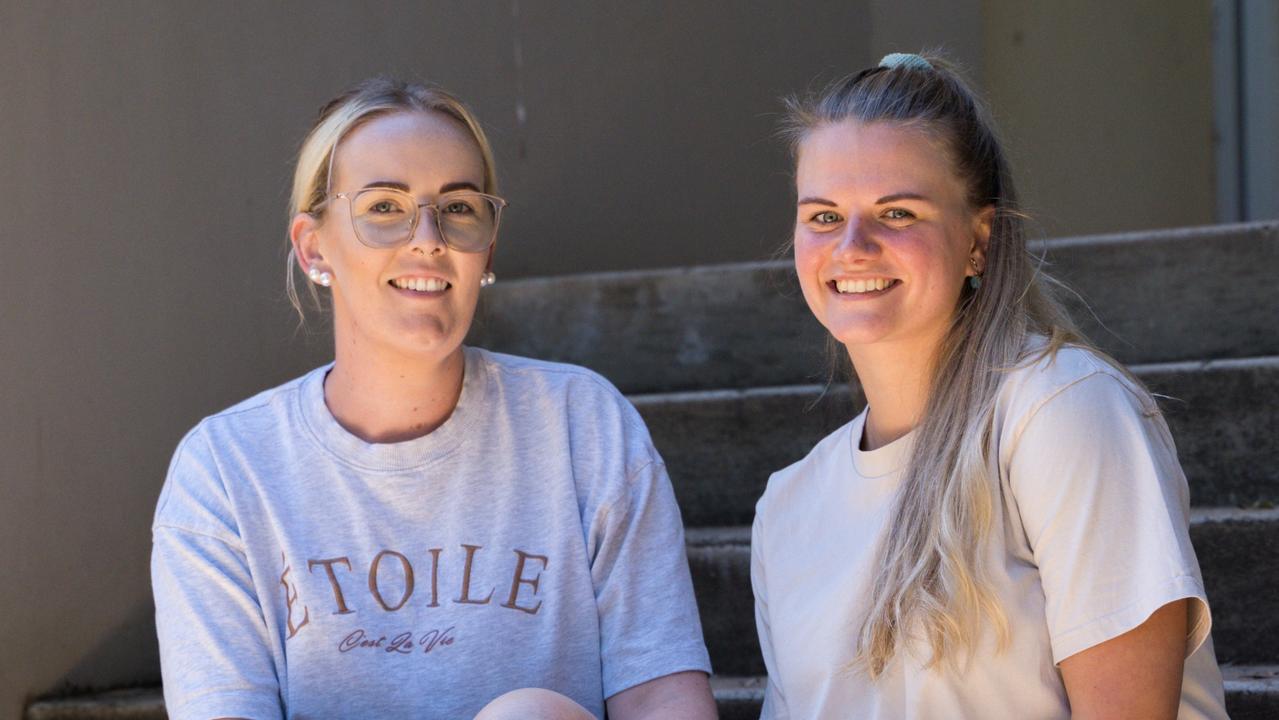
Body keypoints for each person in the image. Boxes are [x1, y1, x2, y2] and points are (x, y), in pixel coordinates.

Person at [151, 78, 716, 720]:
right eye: (385, 206)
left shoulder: (582, 425)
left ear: (488, 248)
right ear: (315, 248)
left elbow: (661, 694)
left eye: (459, 208)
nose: (429, 238)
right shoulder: (226, 471)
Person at [750, 53, 1229, 719]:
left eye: (896, 213)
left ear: (978, 239)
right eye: (824, 216)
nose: (851, 245)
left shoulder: (1059, 410)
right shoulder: (787, 506)